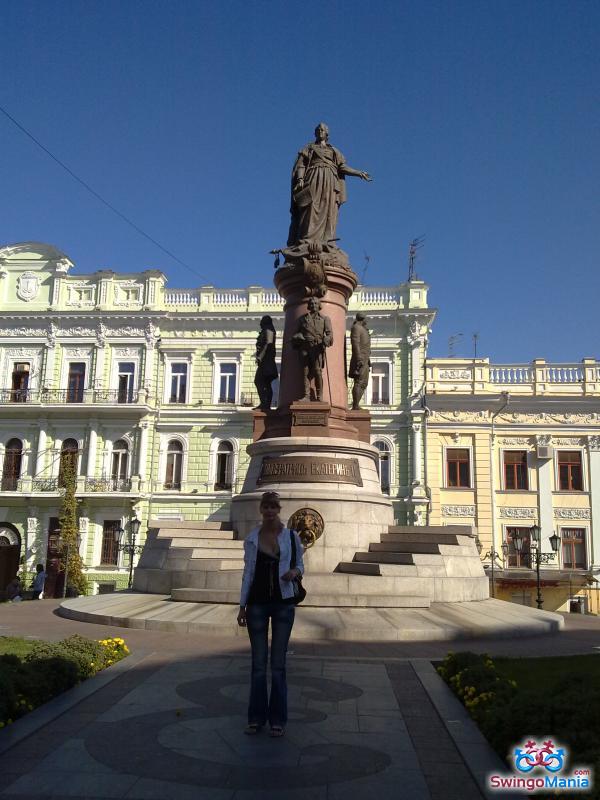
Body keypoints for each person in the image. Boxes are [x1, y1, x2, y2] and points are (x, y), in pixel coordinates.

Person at [237, 491, 304, 737]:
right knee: (257, 664)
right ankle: (255, 719)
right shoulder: (252, 538)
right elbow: (248, 573)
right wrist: (242, 605)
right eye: (266, 507)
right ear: (261, 510)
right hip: (256, 604)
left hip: (283, 603)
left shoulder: (290, 536)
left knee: (277, 665)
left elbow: (300, 565)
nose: (269, 511)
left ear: (279, 509)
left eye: (273, 507)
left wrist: (294, 573)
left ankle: (278, 720)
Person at [287, 122, 371, 247]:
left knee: (328, 207)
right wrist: (300, 179)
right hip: (313, 177)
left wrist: (359, 173)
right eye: (318, 129)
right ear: (315, 133)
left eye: (323, 130)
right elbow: (301, 164)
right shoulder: (309, 148)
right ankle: (307, 238)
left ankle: (326, 239)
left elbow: (342, 167)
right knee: (311, 205)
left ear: (327, 134)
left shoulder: (333, 150)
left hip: (330, 180)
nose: (320, 131)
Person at [292, 297, 333, 402]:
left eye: (316, 303)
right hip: (305, 348)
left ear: (319, 305)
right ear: (309, 306)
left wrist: (326, 340)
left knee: (317, 371)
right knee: (305, 372)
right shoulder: (303, 319)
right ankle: (306, 395)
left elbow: (329, 334)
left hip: (317, 347)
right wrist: (298, 336)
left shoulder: (325, 319)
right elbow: (295, 334)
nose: (314, 305)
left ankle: (320, 395)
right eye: (312, 303)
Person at [253, 315, 278, 411]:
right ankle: (265, 404)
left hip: (267, 362)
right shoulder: (266, 330)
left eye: (262, 321)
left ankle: (265, 404)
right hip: (265, 362)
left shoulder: (268, 330)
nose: (260, 323)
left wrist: (260, 356)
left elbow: (268, 342)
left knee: (260, 381)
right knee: (264, 383)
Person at [349, 312, 371, 409]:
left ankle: (356, 404)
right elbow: (355, 343)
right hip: (360, 360)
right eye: (366, 319)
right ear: (362, 318)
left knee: (364, 383)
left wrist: (368, 360)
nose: (366, 321)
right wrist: (358, 358)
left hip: (365, 360)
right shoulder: (356, 328)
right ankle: (355, 405)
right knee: (359, 382)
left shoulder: (363, 329)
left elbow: (365, 346)